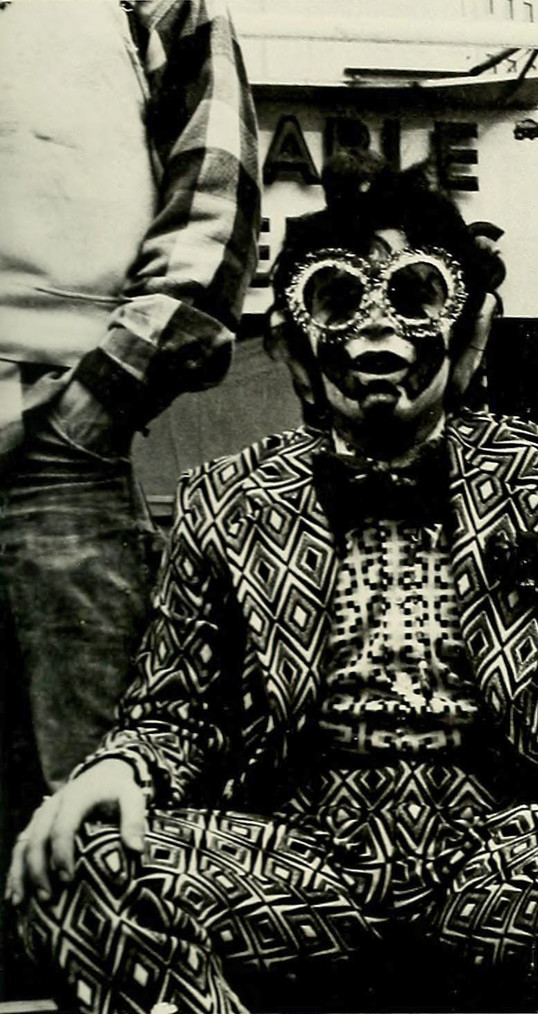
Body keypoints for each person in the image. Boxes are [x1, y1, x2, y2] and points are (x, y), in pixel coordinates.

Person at [6, 154, 538, 1014]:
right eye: (336, 300)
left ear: (469, 337)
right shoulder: (227, 497)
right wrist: (124, 768)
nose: (375, 333)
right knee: (74, 866)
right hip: (296, 853)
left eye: (414, 295)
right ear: (297, 350)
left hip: (504, 849)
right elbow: (175, 708)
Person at [0, 0, 261, 792]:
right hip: (63, 439)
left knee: (92, 800)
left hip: (57, 444)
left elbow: (213, 199)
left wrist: (103, 396)